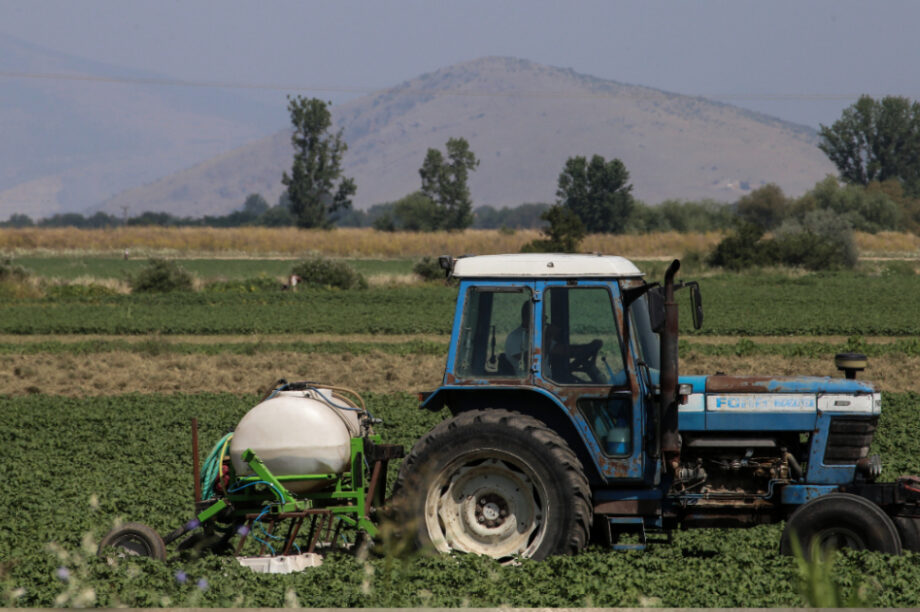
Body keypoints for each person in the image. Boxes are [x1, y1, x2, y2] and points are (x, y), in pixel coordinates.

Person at [504, 301, 531, 374]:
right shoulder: (515, 337)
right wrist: (548, 337)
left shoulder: (538, 335)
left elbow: (557, 350)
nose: (545, 318)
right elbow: (529, 358)